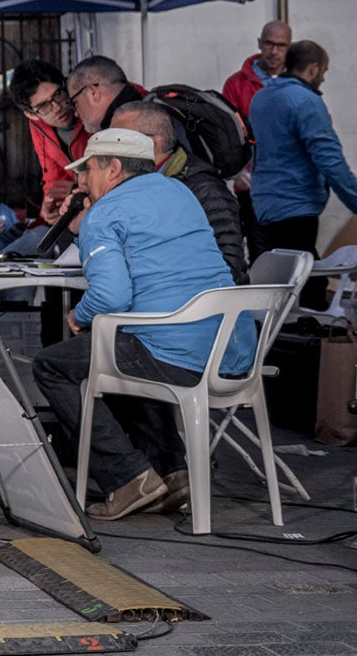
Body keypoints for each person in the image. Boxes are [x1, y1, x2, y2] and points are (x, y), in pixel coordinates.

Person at [31, 128, 247, 520]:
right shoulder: (180, 193)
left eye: (88, 171)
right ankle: (172, 470)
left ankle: (127, 478)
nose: (82, 182)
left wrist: (77, 316)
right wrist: (83, 233)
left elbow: (111, 297)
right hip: (230, 350)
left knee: (53, 365)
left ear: (113, 168)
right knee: (122, 347)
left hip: (176, 354)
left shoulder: (106, 213)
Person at [249, 41, 357, 260]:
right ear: (313, 68)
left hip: (262, 205)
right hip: (296, 206)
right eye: (324, 71)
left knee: (280, 280)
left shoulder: (260, 99)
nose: (323, 78)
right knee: (306, 281)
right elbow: (331, 161)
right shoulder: (306, 102)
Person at [114, 101, 249, 285]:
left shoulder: (204, 187)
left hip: (201, 304)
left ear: (153, 143)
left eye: (119, 141)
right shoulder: (137, 187)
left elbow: (229, 266)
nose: (110, 150)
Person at [11, 59, 86, 221]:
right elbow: (53, 177)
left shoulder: (89, 100)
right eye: (44, 106)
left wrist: (78, 188)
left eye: (58, 94)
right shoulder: (38, 127)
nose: (57, 107)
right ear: (31, 115)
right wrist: (48, 208)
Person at [222, 20, 290, 119]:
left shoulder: (300, 83)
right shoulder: (235, 84)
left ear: (290, 47)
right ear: (259, 43)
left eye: (281, 45)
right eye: (269, 43)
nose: (274, 51)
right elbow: (229, 126)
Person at [67, 56, 146, 135]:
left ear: (93, 92)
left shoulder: (124, 133)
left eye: (74, 103)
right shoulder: (147, 108)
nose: (76, 113)